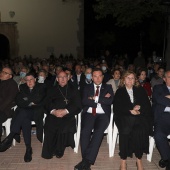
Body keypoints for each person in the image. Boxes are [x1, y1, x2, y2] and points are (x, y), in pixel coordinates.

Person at [0, 72, 46, 162]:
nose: (29, 82)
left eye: (31, 79)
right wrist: (31, 101)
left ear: (35, 79)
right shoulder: (22, 87)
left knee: (23, 112)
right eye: (27, 80)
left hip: (36, 113)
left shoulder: (41, 86)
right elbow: (18, 101)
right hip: (25, 112)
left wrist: (26, 99)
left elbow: (38, 99)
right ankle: (28, 148)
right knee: (24, 118)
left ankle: (10, 137)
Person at [74, 68, 114, 170]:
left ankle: (85, 162)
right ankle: (87, 161)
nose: (97, 78)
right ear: (92, 77)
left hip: (103, 115)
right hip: (89, 113)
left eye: (100, 76)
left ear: (103, 77)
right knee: (85, 131)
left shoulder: (108, 87)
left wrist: (94, 98)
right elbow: (84, 101)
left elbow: (110, 101)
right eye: (95, 76)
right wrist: (102, 99)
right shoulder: (87, 87)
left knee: (98, 132)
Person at [113, 70, 152, 170]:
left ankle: (139, 159)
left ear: (135, 80)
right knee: (125, 129)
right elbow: (117, 108)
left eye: (132, 78)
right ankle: (123, 160)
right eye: (128, 78)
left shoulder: (140, 90)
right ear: (124, 80)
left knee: (140, 130)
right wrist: (130, 111)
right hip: (123, 117)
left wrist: (140, 109)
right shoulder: (120, 91)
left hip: (139, 117)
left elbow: (147, 105)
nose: (130, 80)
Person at [42, 71, 82, 159]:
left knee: (64, 124)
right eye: (60, 77)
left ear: (68, 78)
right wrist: (53, 111)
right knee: (50, 124)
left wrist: (66, 111)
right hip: (53, 114)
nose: (63, 79)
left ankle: (59, 149)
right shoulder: (51, 89)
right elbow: (46, 103)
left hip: (68, 114)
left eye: (65, 77)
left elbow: (77, 104)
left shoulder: (74, 89)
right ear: (57, 79)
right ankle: (48, 151)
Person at [152, 70, 170, 170]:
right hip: (162, 117)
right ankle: (167, 158)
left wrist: (167, 99)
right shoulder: (158, 88)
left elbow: (164, 101)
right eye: (169, 77)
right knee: (158, 135)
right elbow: (158, 99)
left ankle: (166, 159)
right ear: (164, 79)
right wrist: (165, 99)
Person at [0, 67, 18, 142]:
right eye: (2, 71)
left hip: (5, 110)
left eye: (5, 73)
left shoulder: (12, 84)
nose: (2, 73)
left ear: (10, 76)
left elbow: (9, 100)